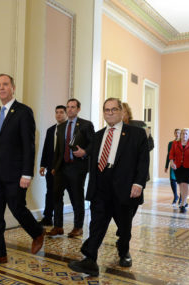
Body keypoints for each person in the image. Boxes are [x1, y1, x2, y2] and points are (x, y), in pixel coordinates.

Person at [68, 98, 149, 276]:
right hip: (101, 184)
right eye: (106, 110)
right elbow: (93, 158)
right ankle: (90, 260)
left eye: (113, 110)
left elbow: (143, 161)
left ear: (121, 112)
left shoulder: (136, 134)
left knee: (124, 225)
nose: (110, 113)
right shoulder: (98, 136)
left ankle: (124, 251)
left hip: (125, 185)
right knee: (97, 223)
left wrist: (138, 183)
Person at [0, 74, 45, 267]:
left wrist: (27, 173)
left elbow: (29, 145)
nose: (1, 88)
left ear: (13, 88)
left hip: (16, 173)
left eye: (5, 84)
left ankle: (37, 232)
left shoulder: (23, 112)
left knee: (17, 208)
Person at [47, 98, 94, 237]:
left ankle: (78, 227)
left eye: (73, 107)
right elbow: (58, 149)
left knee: (76, 198)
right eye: (68, 107)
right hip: (62, 167)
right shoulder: (61, 127)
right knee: (56, 196)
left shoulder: (86, 125)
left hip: (77, 167)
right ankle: (58, 226)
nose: (70, 109)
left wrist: (85, 152)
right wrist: (55, 166)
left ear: (78, 109)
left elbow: (93, 144)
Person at [39, 105, 67, 226]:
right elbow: (46, 148)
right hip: (51, 167)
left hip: (65, 168)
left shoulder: (69, 129)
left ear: (66, 114)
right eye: (57, 112)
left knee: (59, 194)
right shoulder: (51, 130)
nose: (59, 114)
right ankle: (47, 217)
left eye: (61, 112)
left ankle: (59, 222)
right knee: (50, 192)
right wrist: (42, 165)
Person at [169, 128, 189, 213]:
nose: (184, 135)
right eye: (183, 133)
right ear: (181, 134)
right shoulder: (175, 143)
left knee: (185, 184)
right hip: (177, 167)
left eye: (186, 134)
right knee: (180, 184)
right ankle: (184, 201)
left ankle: (183, 203)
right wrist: (171, 162)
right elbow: (171, 153)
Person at [165, 128, 181, 205]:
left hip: (181, 164)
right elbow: (168, 155)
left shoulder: (183, 142)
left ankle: (181, 197)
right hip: (173, 163)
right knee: (172, 180)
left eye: (178, 133)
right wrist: (166, 166)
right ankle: (175, 196)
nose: (177, 134)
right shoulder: (170, 143)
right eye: (176, 133)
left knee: (181, 181)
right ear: (174, 134)